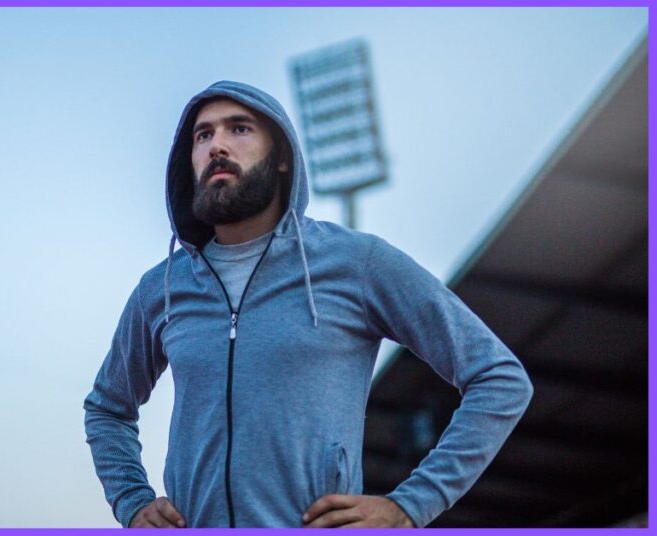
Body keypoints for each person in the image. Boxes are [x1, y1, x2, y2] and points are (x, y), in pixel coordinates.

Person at [83, 80, 533, 528]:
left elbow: (499, 377)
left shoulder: (356, 263)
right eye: (203, 135)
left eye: (239, 129)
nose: (216, 145)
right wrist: (132, 501)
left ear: (282, 158)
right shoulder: (161, 287)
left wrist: (412, 505)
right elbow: (107, 408)